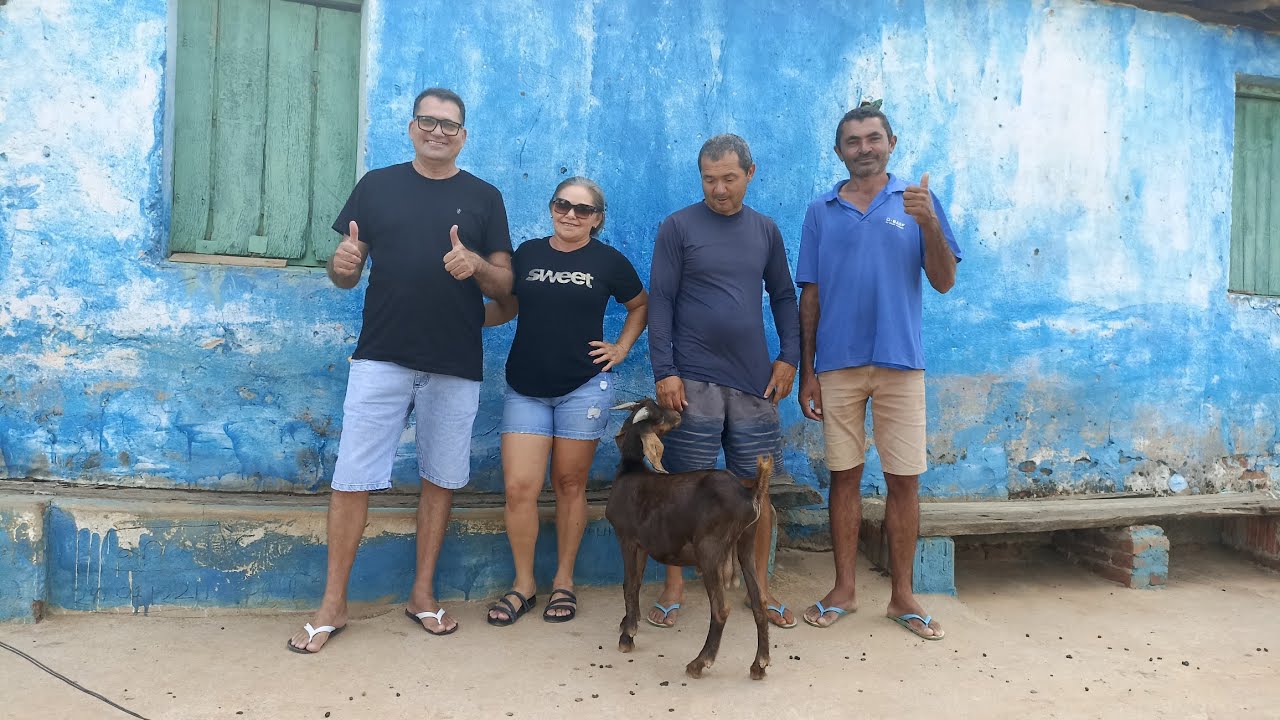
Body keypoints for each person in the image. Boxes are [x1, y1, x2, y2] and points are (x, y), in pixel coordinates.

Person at [287, 88, 513, 653]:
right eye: (428, 122)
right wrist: (342, 268)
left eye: (450, 125)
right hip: (381, 356)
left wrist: (476, 264)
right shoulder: (376, 186)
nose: (439, 132)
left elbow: (506, 285)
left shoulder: (485, 198)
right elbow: (347, 267)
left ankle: (422, 594)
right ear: (412, 127)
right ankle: (333, 604)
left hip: (454, 363)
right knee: (351, 478)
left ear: (464, 135)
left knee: (440, 478)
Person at [796, 103, 961, 640]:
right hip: (838, 365)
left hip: (900, 364)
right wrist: (807, 371)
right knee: (843, 477)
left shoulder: (919, 200)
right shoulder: (821, 210)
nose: (863, 148)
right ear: (839, 150)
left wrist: (929, 222)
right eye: (852, 141)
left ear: (891, 141)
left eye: (873, 138)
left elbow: (943, 281)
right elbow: (811, 297)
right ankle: (843, 589)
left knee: (903, 481)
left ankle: (902, 596)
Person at [646, 134, 801, 629]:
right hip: (692, 381)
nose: (719, 189)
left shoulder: (766, 231)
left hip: (755, 383)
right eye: (710, 179)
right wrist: (665, 371)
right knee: (682, 489)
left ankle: (762, 587)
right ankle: (673, 587)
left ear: (749, 174)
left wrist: (789, 358)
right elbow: (662, 301)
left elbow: (782, 296)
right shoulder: (678, 227)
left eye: (729, 178)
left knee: (756, 490)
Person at [482, 177, 648, 625]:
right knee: (520, 487)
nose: (571, 215)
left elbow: (639, 305)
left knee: (570, 484)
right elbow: (509, 307)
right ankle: (523, 585)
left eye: (583, 210)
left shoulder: (608, 261)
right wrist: (463, 315)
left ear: (598, 219)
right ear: (551, 207)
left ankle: (564, 582)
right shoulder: (529, 254)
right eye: (563, 205)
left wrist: (621, 348)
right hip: (526, 386)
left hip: (583, 387)